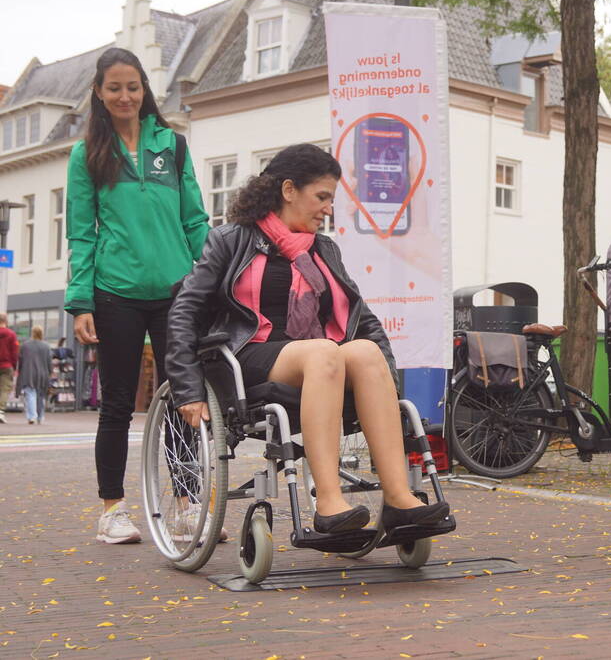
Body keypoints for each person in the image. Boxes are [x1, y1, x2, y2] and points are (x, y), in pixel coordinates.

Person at [166, 143, 449, 535]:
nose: (328, 208)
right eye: (322, 197)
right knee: (323, 352)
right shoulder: (230, 240)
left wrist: (388, 391)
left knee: (365, 352)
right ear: (288, 191)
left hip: (319, 363)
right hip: (248, 358)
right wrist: (187, 387)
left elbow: (363, 320)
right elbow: (185, 310)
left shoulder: (323, 250)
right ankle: (329, 503)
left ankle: (399, 497)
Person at [64, 47, 210, 544]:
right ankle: (113, 511)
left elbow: (195, 220)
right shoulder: (86, 155)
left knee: (183, 400)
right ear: (99, 94)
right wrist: (81, 299)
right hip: (115, 294)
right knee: (118, 404)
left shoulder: (174, 145)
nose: (124, 96)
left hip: (176, 293)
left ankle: (188, 505)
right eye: (114, 88)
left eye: (133, 86)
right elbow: (82, 232)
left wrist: (214, 280)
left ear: (144, 89)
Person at [16, 326, 51, 425]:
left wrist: (20, 372)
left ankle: (32, 416)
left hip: (28, 373)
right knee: (41, 396)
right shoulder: (46, 346)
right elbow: (49, 362)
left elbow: (21, 361)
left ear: (32, 333)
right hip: (43, 374)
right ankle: (40, 417)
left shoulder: (25, 345)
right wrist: (50, 372)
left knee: (30, 394)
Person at [0, 314, 18, 423]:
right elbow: (14, 353)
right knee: (5, 389)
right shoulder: (11, 334)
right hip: (7, 366)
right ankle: (0, 411)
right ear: (6, 321)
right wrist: (14, 366)